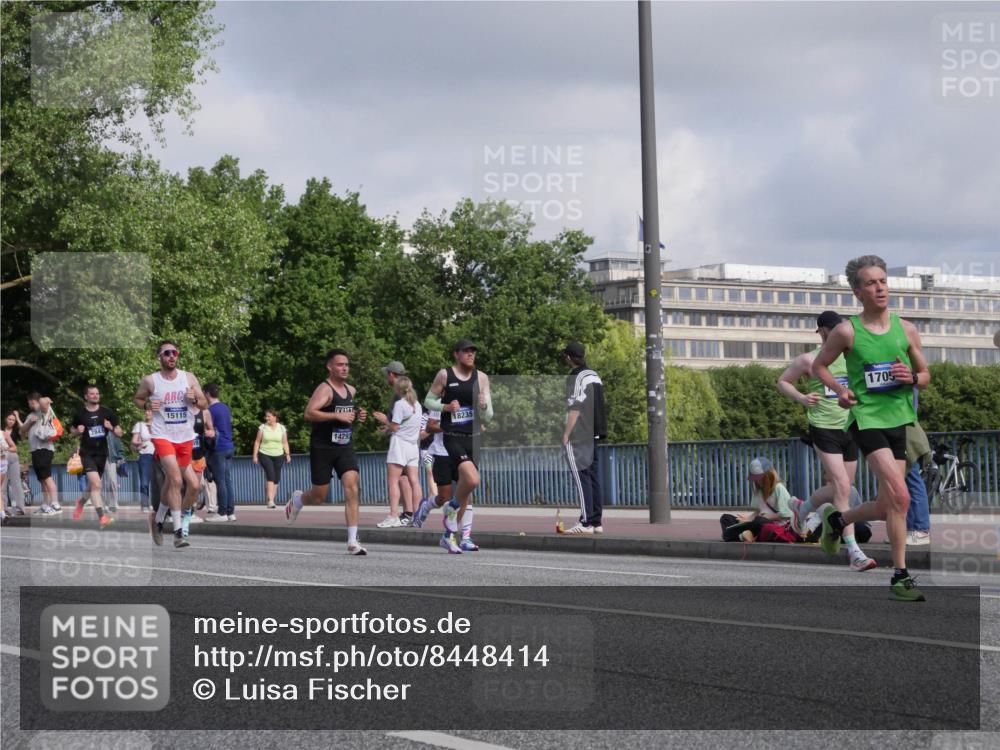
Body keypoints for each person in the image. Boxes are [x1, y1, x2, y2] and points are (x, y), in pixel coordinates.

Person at [812, 255, 931, 602]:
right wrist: (841, 391)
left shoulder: (906, 329)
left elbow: (925, 377)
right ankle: (901, 575)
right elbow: (820, 366)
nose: (879, 288)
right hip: (866, 421)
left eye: (883, 281)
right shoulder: (847, 331)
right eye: (871, 283)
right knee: (902, 495)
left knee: (886, 505)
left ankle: (837, 521)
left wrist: (913, 377)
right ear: (857, 292)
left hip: (900, 420)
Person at [777, 311, 875, 571]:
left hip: (851, 426)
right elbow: (783, 381)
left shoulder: (851, 357)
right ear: (821, 332)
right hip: (823, 428)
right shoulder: (809, 359)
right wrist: (800, 397)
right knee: (841, 485)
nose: (838, 336)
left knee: (844, 488)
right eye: (832, 332)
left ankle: (802, 507)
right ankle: (854, 551)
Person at [286, 348, 369, 556]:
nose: (344, 368)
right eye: (340, 364)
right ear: (329, 367)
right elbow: (309, 413)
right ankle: (298, 500)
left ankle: (352, 541)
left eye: (347, 365)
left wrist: (357, 415)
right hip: (322, 448)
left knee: (352, 487)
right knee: (318, 496)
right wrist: (336, 416)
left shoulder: (351, 390)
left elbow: (346, 414)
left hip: (344, 447)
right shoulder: (325, 389)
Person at [133, 340, 208, 548]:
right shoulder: (151, 381)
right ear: (160, 357)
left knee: (183, 484)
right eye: (166, 353)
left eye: (174, 352)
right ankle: (177, 532)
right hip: (162, 434)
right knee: (175, 479)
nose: (171, 356)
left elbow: (203, 403)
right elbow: (137, 399)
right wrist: (147, 404)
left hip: (184, 435)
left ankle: (158, 521)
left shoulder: (188, 377)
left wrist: (193, 400)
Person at [424, 339, 492, 554]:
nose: (470, 354)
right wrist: (445, 406)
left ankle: (448, 536)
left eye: (473, 351)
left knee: (468, 488)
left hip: (473, 437)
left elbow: (489, 415)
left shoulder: (482, 378)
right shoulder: (445, 375)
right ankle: (452, 508)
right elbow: (428, 401)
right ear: (456, 354)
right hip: (452, 436)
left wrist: (483, 405)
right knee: (472, 480)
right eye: (466, 351)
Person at [561, 341, 607, 535]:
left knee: (581, 477)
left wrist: (566, 434)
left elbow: (575, 407)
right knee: (593, 477)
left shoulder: (576, 377)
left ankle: (585, 522)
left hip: (580, 433)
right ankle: (596, 521)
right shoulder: (594, 375)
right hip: (594, 432)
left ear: (569, 358)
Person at [373, 376, 423, 528]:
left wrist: (384, 421)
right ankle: (417, 515)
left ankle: (393, 515)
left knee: (393, 481)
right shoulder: (417, 405)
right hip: (413, 446)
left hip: (399, 445)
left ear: (397, 389)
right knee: (414, 481)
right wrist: (387, 428)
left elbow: (395, 427)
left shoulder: (400, 404)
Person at [69, 385, 122, 528]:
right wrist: (77, 431)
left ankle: (80, 503)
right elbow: (72, 429)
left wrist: (111, 427)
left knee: (92, 486)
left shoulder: (106, 412)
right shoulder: (80, 414)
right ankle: (102, 517)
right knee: (97, 485)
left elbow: (120, 432)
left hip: (102, 453)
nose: (95, 396)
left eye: (97, 393)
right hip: (87, 454)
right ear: (86, 396)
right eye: (92, 394)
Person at [720, 458, 798, 542]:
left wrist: (766, 516)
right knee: (725, 518)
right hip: (757, 522)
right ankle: (744, 535)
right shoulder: (758, 490)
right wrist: (747, 519)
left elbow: (786, 514)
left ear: (769, 475)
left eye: (759, 477)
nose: (757, 481)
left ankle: (735, 535)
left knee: (759, 521)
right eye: (755, 478)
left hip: (774, 525)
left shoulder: (779, 488)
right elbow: (757, 512)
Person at [380, 360, 414, 523]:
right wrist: (387, 429)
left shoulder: (399, 397)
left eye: (387, 374)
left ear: (391, 375)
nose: (386, 377)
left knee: (398, 478)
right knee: (406, 477)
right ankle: (410, 513)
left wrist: (387, 425)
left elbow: (397, 423)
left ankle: (398, 514)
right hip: (410, 442)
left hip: (402, 443)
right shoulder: (408, 393)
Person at [18, 394, 63, 515]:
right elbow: (22, 430)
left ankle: (55, 504)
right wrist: (30, 423)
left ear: (34, 401)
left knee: (47, 476)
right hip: (35, 450)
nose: (28, 404)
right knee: (42, 478)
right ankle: (45, 505)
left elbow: (45, 401)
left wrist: (42, 400)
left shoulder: (44, 410)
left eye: (29, 402)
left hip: (44, 448)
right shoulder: (31, 415)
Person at [204, 383, 236, 522]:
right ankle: (230, 512)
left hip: (218, 448)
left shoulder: (210, 410)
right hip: (229, 445)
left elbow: (208, 430)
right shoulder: (225, 408)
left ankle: (222, 512)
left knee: (220, 481)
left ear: (207, 393)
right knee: (227, 480)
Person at [413, 409, 449, 528]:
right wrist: (433, 428)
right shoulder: (425, 416)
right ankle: (433, 494)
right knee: (430, 472)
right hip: (426, 451)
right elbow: (421, 435)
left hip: (444, 450)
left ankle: (432, 498)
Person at [252, 409, 290, 510]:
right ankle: (271, 501)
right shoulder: (262, 427)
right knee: (271, 475)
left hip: (279, 454)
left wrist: (287, 454)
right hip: (265, 454)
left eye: (269, 416)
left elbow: (285, 442)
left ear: (275, 417)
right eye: (266, 416)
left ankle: (271, 499)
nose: (267, 418)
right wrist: (255, 455)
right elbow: (257, 442)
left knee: (276, 478)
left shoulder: (282, 428)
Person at [131, 408, 155, 512]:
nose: (147, 412)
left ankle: (158, 504)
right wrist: (138, 446)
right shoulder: (140, 425)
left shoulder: (160, 424)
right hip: (145, 455)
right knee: (145, 482)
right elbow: (133, 442)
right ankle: (145, 504)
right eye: (146, 410)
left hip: (159, 455)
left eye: (150, 410)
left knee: (159, 482)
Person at [3, 412, 27, 516]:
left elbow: (24, 430)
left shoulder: (17, 431)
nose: (11, 421)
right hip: (2, 458)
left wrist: (17, 417)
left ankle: (20, 508)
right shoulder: (1, 431)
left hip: (12, 456)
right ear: (5, 419)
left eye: (13, 420)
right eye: (9, 419)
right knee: (2, 485)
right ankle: (3, 508)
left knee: (16, 483)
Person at [103, 428, 125, 513]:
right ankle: (104, 503)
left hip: (110, 458)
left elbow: (118, 445)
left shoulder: (112, 432)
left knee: (112, 481)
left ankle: (113, 502)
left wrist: (120, 457)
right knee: (98, 483)